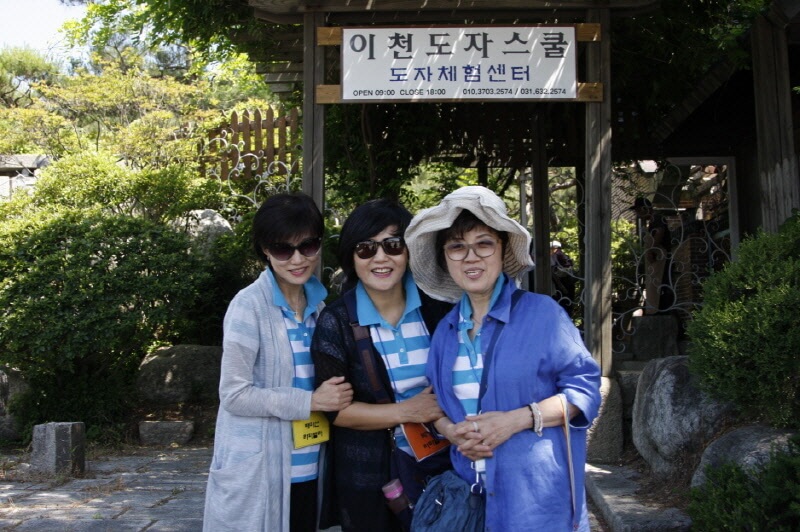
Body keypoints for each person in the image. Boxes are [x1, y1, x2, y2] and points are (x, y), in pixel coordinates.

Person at [405, 186, 602, 531]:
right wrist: (452, 432)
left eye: (484, 243)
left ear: (502, 249)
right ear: (445, 257)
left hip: (536, 504)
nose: (470, 257)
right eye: (457, 246)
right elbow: (436, 403)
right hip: (469, 503)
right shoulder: (445, 332)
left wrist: (516, 420)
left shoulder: (543, 315)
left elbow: (584, 391)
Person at [203, 192, 354, 532]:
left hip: (310, 465)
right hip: (261, 471)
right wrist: (310, 401)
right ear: (265, 251)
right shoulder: (248, 306)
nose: (298, 259)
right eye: (284, 249)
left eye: (308, 246)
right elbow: (234, 394)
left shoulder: (320, 308)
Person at [311, 199, 452, 532]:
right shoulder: (336, 322)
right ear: (351, 257)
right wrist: (407, 411)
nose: (380, 258)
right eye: (366, 248)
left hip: (442, 469)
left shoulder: (439, 310)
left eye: (392, 245)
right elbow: (336, 412)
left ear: (409, 250)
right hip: (368, 479)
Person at [630, 197, 672, 314]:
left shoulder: (657, 218)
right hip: (656, 260)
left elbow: (659, 233)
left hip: (660, 260)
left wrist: (650, 250)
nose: (638, 215)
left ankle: (661, 311)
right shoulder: (652, 221)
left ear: (644, 209)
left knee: (661, 286)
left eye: (638, 211)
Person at [550, 240, 576, 316]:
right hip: (565, 284)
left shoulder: (556, 255)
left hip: (562, 284)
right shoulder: (561, 255)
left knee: (563, 303)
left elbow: (555, 270)